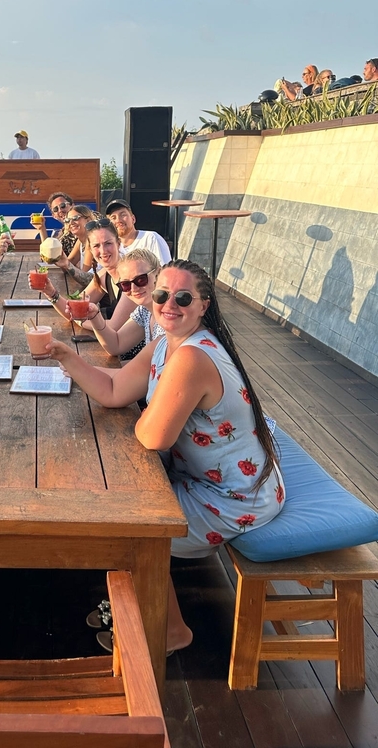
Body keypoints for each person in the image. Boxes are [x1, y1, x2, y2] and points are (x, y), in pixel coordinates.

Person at [46, 259, 284, 654]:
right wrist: (66, 357)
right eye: (161, 294)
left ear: (204, 305)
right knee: (115, 500)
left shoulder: (192, 357)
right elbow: (113, 389)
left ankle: (172, 630)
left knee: (126, 527)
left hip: (235, 497)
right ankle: (140, 596)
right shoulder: (162, 345)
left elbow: (153, 436)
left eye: (183, 297)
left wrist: (146, 417)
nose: (168, 304)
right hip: (205, 479)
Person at [31, 219, 123, 321]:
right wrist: (50, 292)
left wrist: (82, 322)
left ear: (118, 244)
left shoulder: (131, 276)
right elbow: (73, 311)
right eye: (96, 245)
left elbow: (114, 329)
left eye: (108, 243)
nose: (103, 251)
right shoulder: (104, 276)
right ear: (91, 250)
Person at [81, 249, 164, 359]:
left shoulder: (170, 315)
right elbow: (116, 345)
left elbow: (150, 372)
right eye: (126, 284)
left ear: (158, 273)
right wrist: (95, 316)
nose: (134, 288)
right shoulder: (144, 310)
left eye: (140, 280)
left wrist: (77, 366)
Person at [105, 199, 171, 265]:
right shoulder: (110, 247)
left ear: (133, 219)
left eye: (123, 215)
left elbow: (165, 269)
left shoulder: (151, 238)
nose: (118, 220)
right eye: (113, 218)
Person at [50, 205, 96, 288]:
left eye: (75, 218)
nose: (71, 223)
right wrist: (56, 257)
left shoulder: (92, 240)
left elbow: (84, 277)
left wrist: (67, 265)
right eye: (68, 220)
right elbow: (65, 267)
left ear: (88, 220)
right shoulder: (80, 241)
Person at [37, 192, 77, 257]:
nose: (60, 210)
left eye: (62, 205)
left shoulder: (83, 225)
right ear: (54, 216)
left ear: (72, 206)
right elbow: (50, 255)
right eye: (55, 209)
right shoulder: (62, 234)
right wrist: (41, 228)